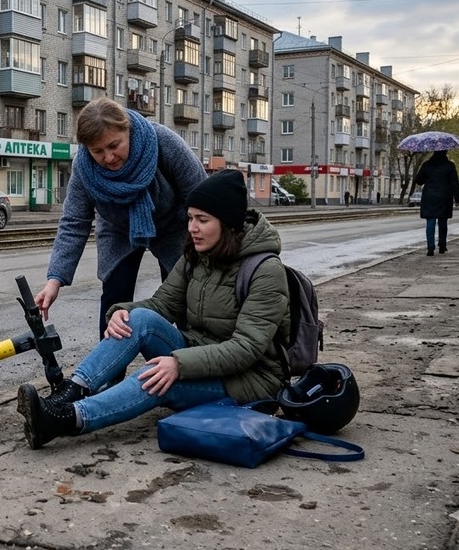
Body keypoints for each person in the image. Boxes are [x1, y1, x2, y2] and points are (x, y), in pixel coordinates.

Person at [17, 169, 290, 449]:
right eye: (190, 218)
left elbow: (246, 348)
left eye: (202, 220)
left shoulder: (265, 270)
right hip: (199, 354)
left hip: (247, 381)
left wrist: (179, 364)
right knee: (141, 319)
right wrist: (121, 311)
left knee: (155, 376)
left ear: (229, 223)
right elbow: (162, 305)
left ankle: (65, 419)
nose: (192, 228)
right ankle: (69, 392)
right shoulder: (198, 256)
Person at [34, 96, 205, 343]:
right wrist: (55, 280)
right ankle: (108, 377)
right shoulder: (84, 167)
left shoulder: (161, 141)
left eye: (114, 146)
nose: (109, 157)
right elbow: (74, 222)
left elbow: (200, 197)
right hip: (118, 230)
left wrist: (209, 251)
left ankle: (187, 362)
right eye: (98, 151)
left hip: (174, 226)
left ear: (128, 130)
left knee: (183, 297)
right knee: (114, 301)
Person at [412, 150, 459, 255]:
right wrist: (457, 198)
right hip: (445, 196)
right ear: (446, 152)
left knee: (430, 220)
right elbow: (454, 183)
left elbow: (419, 180)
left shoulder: (427, 164)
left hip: (429, 195)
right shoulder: (449, 165)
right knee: (443, 221)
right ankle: (442, 245)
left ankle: (430, 247)